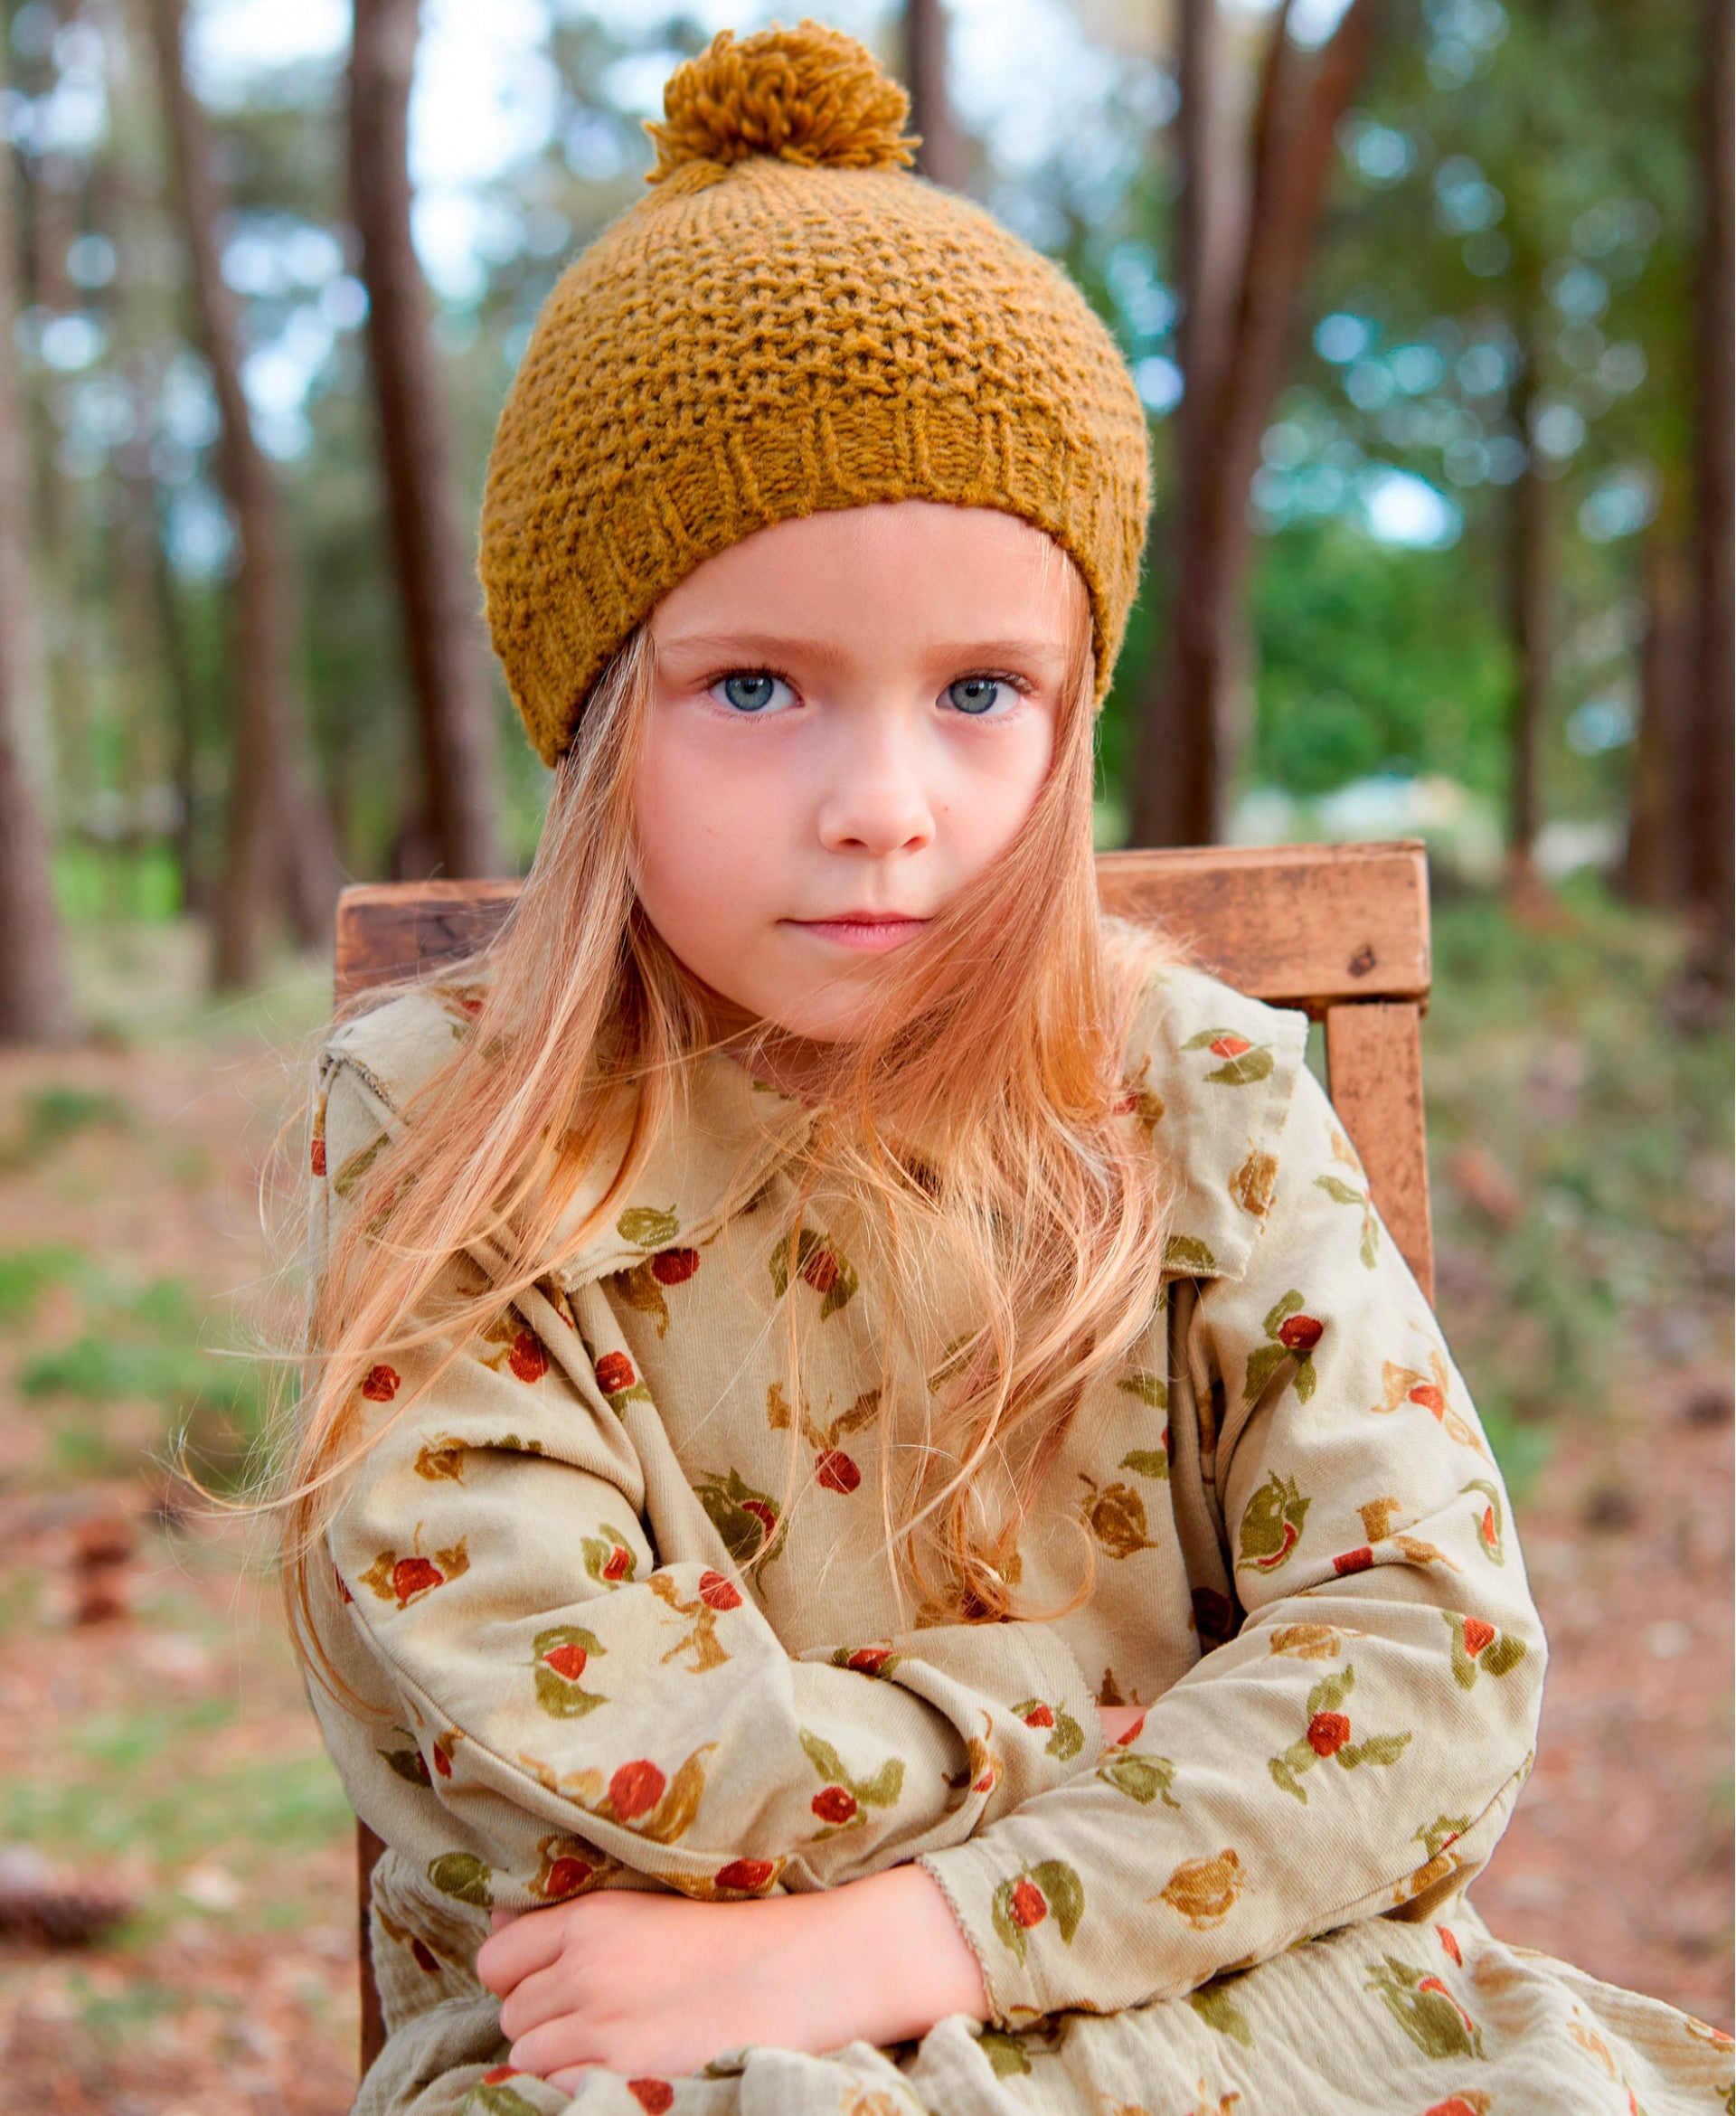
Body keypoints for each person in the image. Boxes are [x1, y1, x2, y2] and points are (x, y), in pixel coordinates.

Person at [280, 25, 1732, 2115]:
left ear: (1072, 710)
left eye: (979, 690)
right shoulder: (456, 1131)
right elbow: (594, 1777)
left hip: (1240, 2016)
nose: (886, 803)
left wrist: (920, 1923)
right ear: (596, 717)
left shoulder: (1189, 1086)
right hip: (686, 2051)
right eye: (757, 684)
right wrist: (1138, 1703)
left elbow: (1433, 1667)